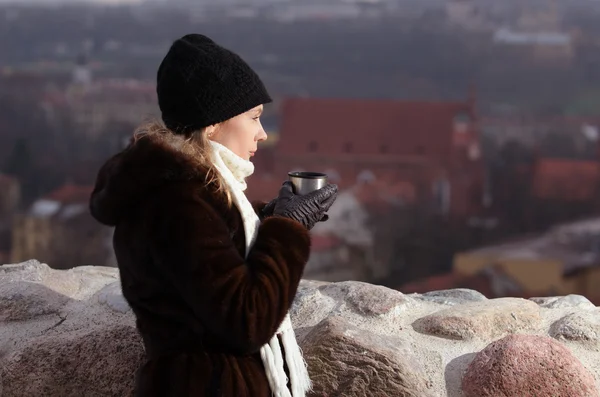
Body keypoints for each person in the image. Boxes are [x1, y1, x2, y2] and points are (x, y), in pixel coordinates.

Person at [89, 33, 338, 397]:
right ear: (211, 124)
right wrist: (287, 228)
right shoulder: (174, 202)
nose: (263, 134)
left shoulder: (190, 192)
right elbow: (245, 322)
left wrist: (266, 220)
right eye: (254, 118)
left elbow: (215, 251)